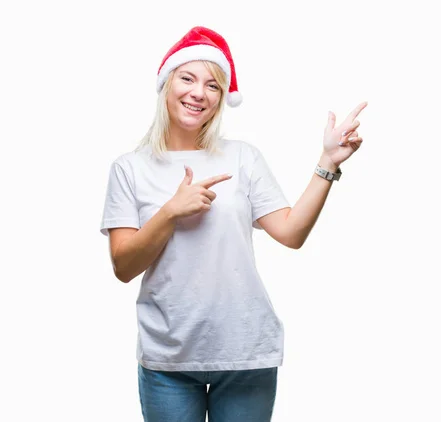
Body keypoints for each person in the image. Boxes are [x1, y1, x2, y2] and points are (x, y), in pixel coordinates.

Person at [100, 26, 367, 422]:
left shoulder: (243, 157)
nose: (198, 93)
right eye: (187, 78)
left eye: (213, 85)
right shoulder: (130, 168)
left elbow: (291, 234)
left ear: (221, 98)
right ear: (166, 84)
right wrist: (171, 211)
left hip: (246, 351)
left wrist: (327, 163)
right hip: (168, 359)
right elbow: (123, 267)